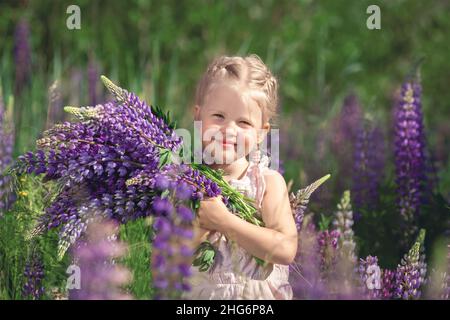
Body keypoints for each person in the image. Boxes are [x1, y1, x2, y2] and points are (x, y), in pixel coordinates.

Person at [182, 54, 297, 300]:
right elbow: (168, 258)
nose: (229, 130)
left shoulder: (267, 183)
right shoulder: (186, 182)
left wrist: (224, 221)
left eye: (244, 122)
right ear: (198, 117)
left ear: (261, 133)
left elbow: (286, 249)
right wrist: (199, 227)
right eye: (218, 117)